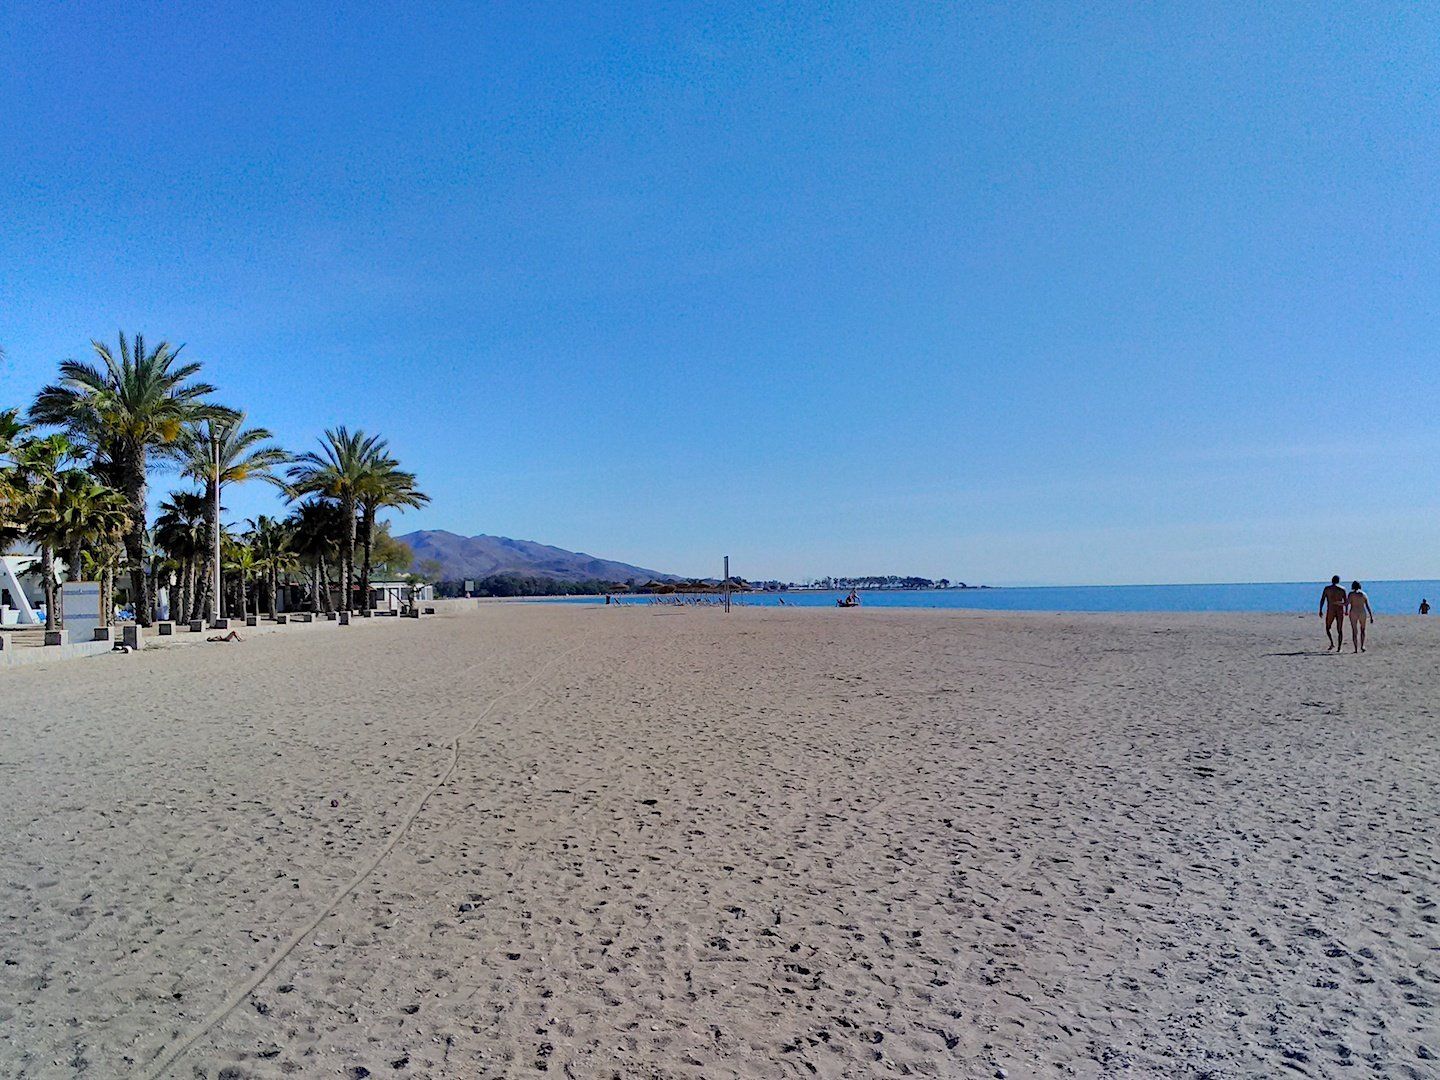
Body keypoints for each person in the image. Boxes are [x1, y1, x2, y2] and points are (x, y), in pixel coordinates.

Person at [1319, 575, 1348, 651]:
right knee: (1340, 629)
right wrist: (1346, 610)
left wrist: (1320, 609)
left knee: (1328, 627)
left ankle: (1332, 643)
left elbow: (1322, 599)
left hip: (1330, 610)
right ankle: (1339, 647)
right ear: (1338, 581)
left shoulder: (1327, 589)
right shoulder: (1342, 589)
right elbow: (1346, 602)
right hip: (1339, 610)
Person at [1347, 582, 1373, 653]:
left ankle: (1355, 649)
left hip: (1353, 612)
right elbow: (1367, 605)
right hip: (1362, 612)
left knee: (1354, 631)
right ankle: (1362, 646)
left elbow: (1347, 603)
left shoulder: (1351, 594)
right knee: (1363, 629)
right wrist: (1371, 616)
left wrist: (1338, 603)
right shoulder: (1363, 594)